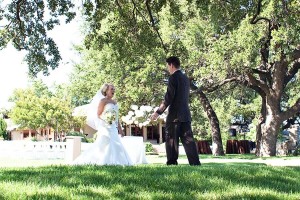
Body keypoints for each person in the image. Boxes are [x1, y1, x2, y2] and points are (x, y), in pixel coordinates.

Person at [150, 56, 201, 166]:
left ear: (171, 65)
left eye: (168, 66)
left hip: (174, 116)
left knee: (171, 140)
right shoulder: (185, 78)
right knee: (189, 141)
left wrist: (158, 112)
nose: (168, 68)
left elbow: (169, 97)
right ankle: (195, 163)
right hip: (185, 114)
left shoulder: (173, 78)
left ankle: (172, 163)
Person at [73, 83, 133, 166]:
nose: (113, 90)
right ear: (106, 91)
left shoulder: (114, 102)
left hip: (113, 127)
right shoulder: (103, 101)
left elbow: (116, 117)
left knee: (116, 143)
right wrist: (107, 119)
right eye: (111, 89)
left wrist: (120, 129)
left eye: (114, 89)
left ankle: (117, 162)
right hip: (105, 126)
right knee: (105, 143)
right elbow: (98, 114)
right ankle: (103, 161)